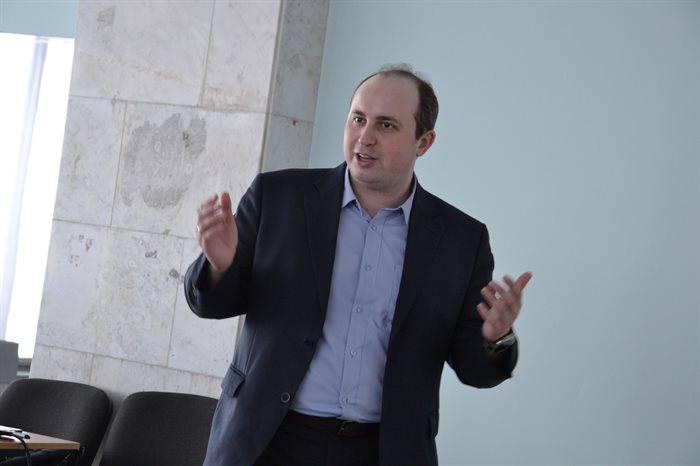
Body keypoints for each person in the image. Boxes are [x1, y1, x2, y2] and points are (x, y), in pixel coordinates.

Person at [184, 64, 532, 466]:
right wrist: (220, 265)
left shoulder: (461, 240)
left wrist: (496, 338)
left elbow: (474, 368)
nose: (365, 137)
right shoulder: (278, 197)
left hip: (382, 451)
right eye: (358, 119)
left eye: (386, 125)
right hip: (266, 440)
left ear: (424, 142)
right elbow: (210, 304)